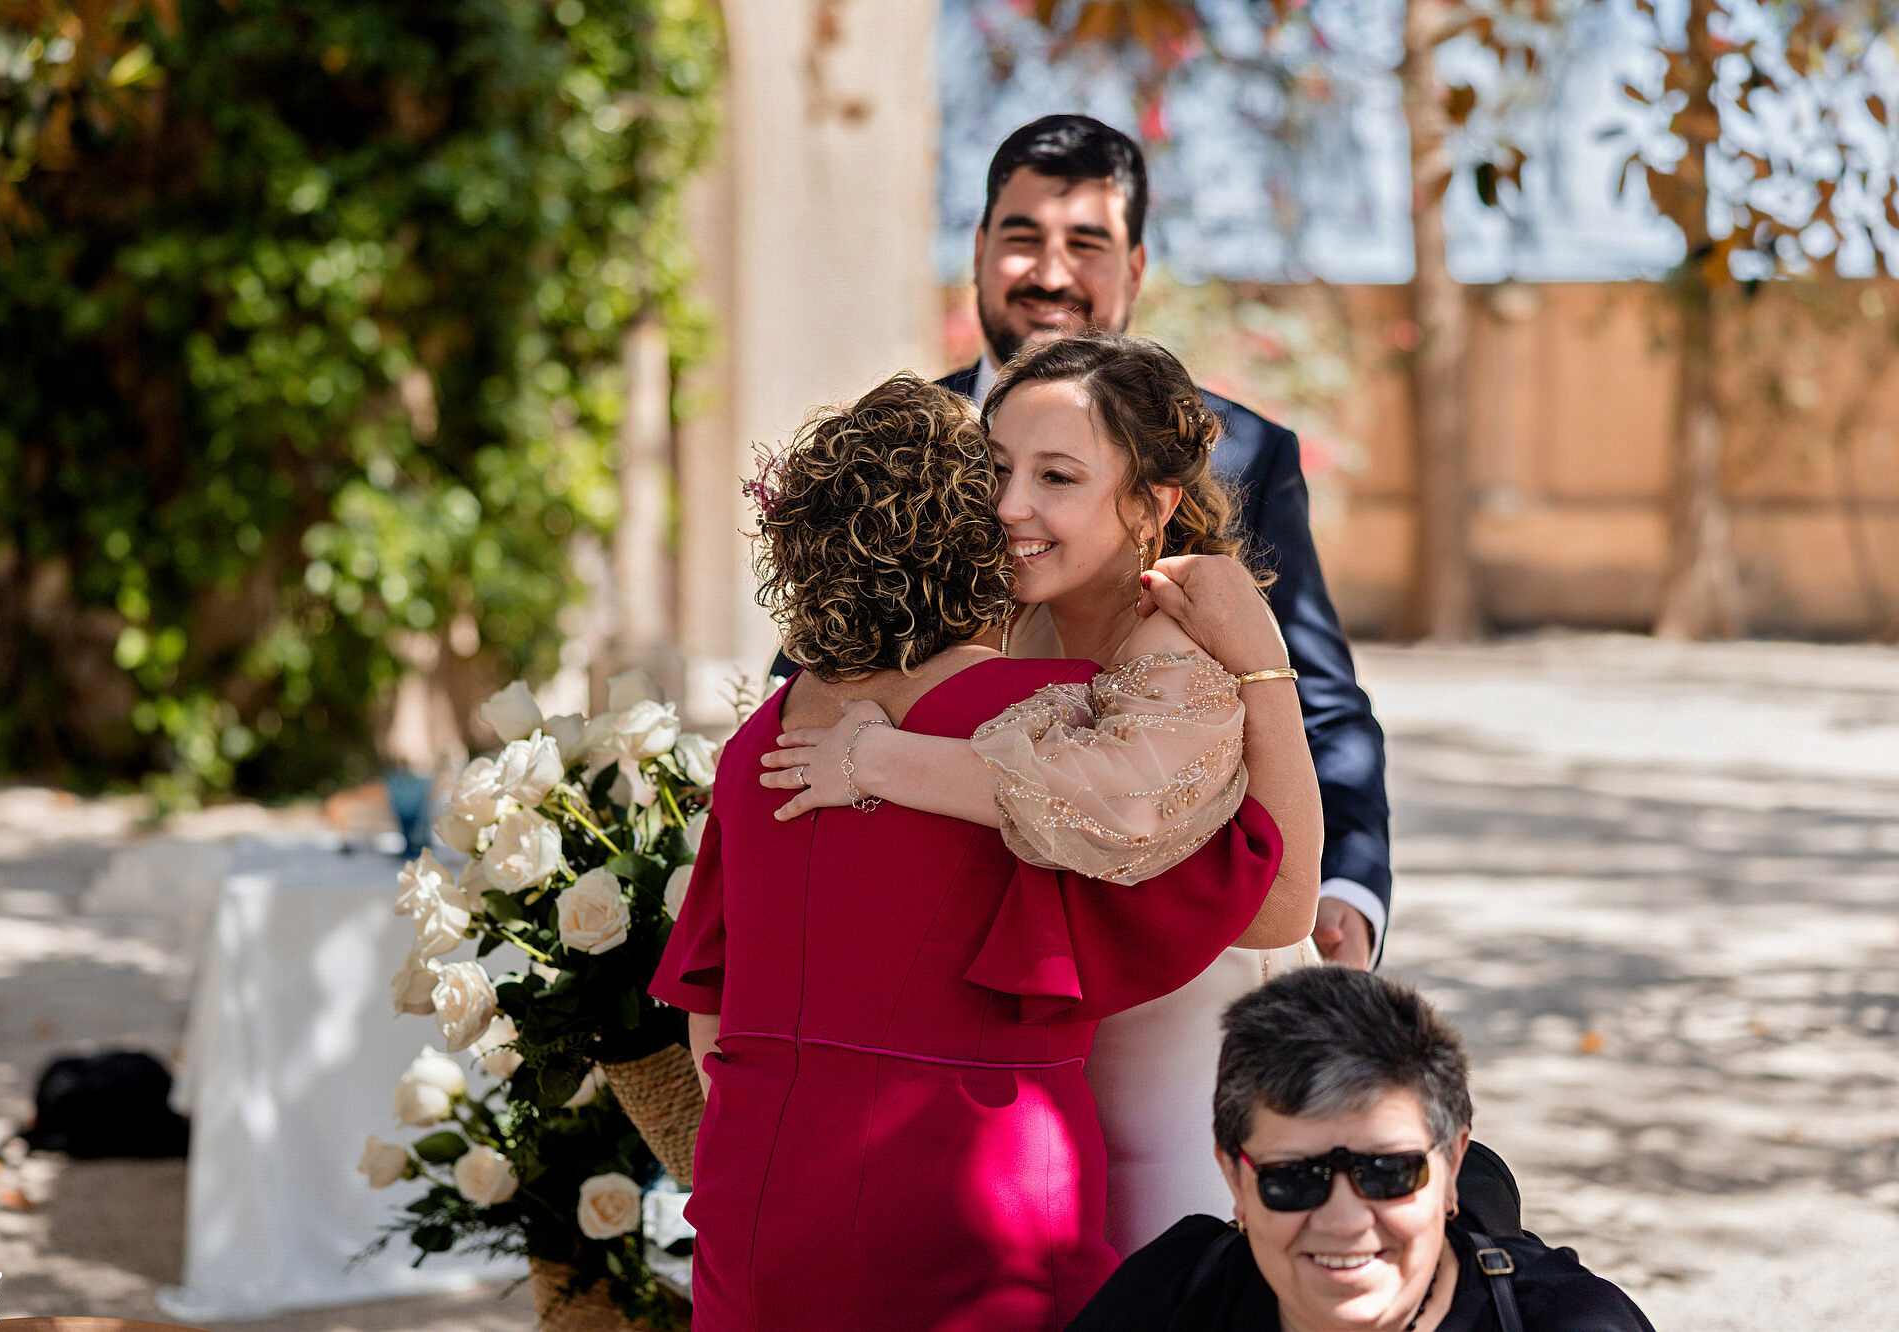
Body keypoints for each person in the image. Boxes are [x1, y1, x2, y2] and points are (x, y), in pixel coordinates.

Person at [652, 373, 1319, 1332]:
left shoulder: (769, 734)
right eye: (996, 474)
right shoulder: (1056, 714)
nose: (1013, 507)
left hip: (765, 1196)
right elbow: (1255, 880)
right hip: (983, 1187)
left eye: (1053, 476)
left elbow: (711, 1028)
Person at [944, 112, 1390, 971]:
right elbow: (828, 650)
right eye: (1022, 236)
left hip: (1175, 932)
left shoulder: (1249, 451)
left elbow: (1315, 698)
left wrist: (1350, 890)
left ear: (1135, 266)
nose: (1050, 271)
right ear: (977, 248)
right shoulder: (900, 440)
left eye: (1087, 242)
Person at [1066, 967, 1657, 1331]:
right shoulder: (1171, 1301)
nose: (1344, 1220)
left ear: (1453, 1166)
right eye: (1294, 1177)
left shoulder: (1568, 1321)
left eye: (1388, 1172)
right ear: (1234, 1180)